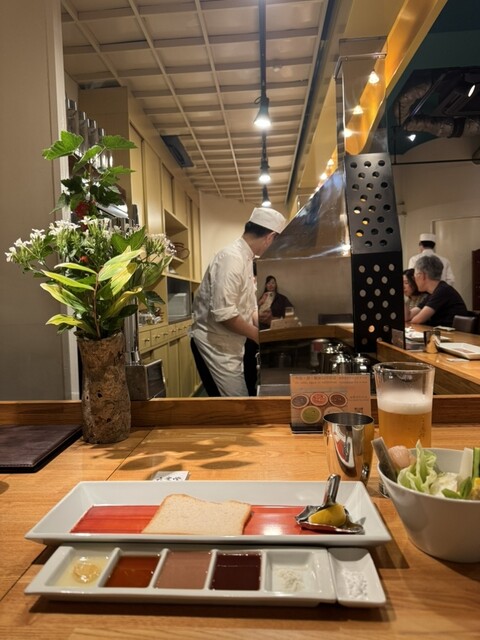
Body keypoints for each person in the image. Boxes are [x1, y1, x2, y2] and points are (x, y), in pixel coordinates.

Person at [190, 206, 287, 397]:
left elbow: (248, 307)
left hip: (231, 344)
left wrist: (268, 330)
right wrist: (258, 336)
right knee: (237, 405)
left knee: (241, 400)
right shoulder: (231, 258)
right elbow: (224, 314)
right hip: (215, 346)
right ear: (270, 237)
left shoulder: (246, 258)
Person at [405, 254, 467, 327]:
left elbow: (417, 320)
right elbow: (407, 316)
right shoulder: (432, 293)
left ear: (422, 276)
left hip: (455, 333)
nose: (414, 280)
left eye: (415, 276)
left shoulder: (443, 290)